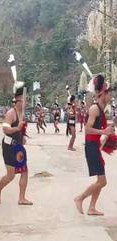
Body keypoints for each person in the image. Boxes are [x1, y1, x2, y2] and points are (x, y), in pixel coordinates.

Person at [74, 75, 114, 216]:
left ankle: (92, 208)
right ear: (103, 94)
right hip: (91, 146)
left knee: (100, 180)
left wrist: (109, 129)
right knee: (102, 181)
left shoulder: (101, 109)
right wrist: (104, 131)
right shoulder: (94, 109)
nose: (111, 96)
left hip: (95, 145)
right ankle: (80, 198)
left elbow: (100, 130)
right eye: (109, 93)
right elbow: (87, 129)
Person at [0, 86, 33, 205]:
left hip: (18, 147)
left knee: (24, 171)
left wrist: (23, 136)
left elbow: (20, 131)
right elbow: (5, 129)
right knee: (11, 175)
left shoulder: (22, 114)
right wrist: (17, 128)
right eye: (23, 100)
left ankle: (22, 198)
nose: (25, 102)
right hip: (9, 146)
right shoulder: (11, 113)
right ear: (17, 100)